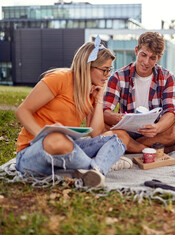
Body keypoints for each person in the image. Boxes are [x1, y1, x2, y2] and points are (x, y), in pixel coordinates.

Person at [15, 35, 132, 188]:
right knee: (56, 139)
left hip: (68, 148)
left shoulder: (91, 90)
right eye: (104, 70)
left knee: (120, 135)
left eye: (109, 70)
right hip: (32, 153)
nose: (108, 75)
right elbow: (23, 111)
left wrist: (98, 100)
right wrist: (43, 136)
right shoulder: (58, 79)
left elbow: (96, 133)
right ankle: (99, 165)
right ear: (87, 66)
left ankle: (95, 171)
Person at [103, 31, 175, 153]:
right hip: (126, 130)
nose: (146, 62)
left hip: (153, 133)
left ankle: (129, 146)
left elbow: (171, 111)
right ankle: (156, 149)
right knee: (99, 125)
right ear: (136, 51)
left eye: (152, 58)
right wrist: (120, 118)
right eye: (144, 55)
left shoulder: (167, 77)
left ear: (158, 58)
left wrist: (157, 128)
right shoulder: (118, 76)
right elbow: (105, 111)